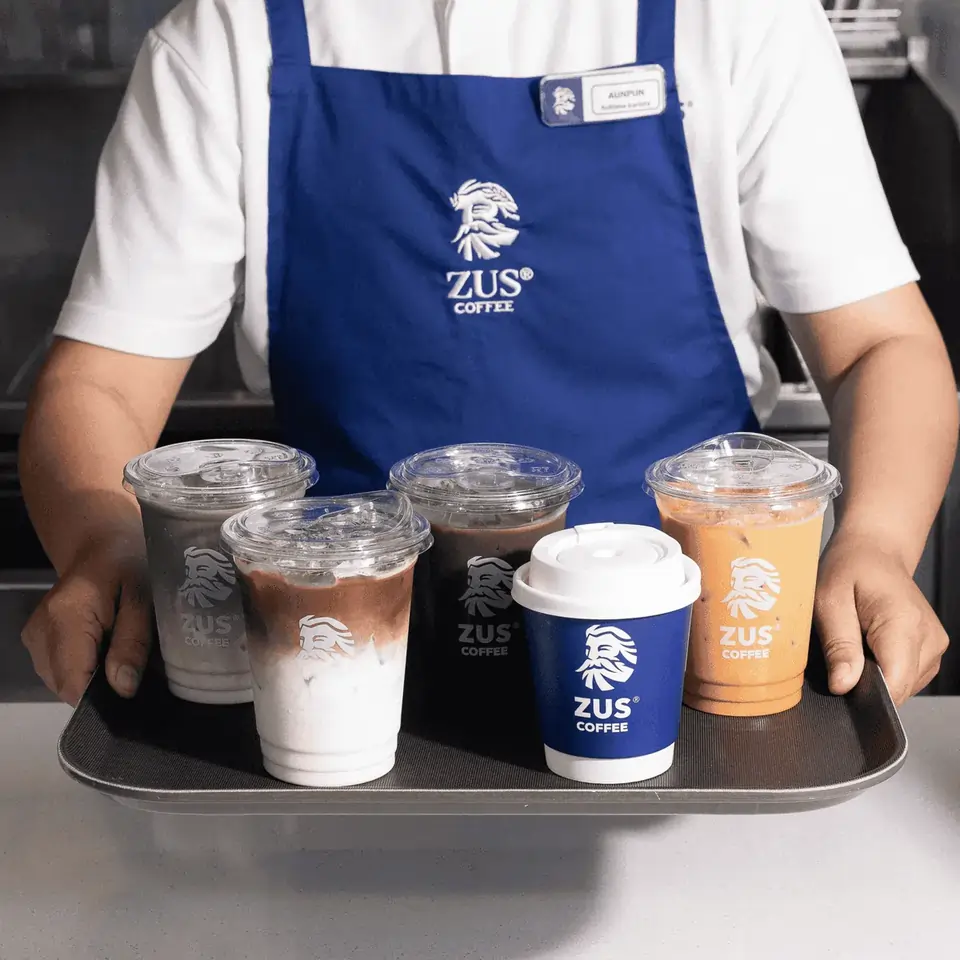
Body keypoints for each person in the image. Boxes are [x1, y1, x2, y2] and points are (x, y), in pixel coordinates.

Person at [19, 0, 957, 708]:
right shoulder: (231, 39)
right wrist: (101, 542)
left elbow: (882, 344)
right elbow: (99, 381)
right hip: (344, 654)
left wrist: (876, 541)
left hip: (697, 644)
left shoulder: (733, 19)